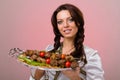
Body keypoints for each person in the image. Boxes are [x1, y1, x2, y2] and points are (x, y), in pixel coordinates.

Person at [29, 3, 104, 80]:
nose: (65, 25)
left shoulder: (90, 55)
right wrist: (38, 73)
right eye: (60, 22)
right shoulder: (49, 50)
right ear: (57, 26)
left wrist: (75, 78)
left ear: (78, 22)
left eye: (70, 20)